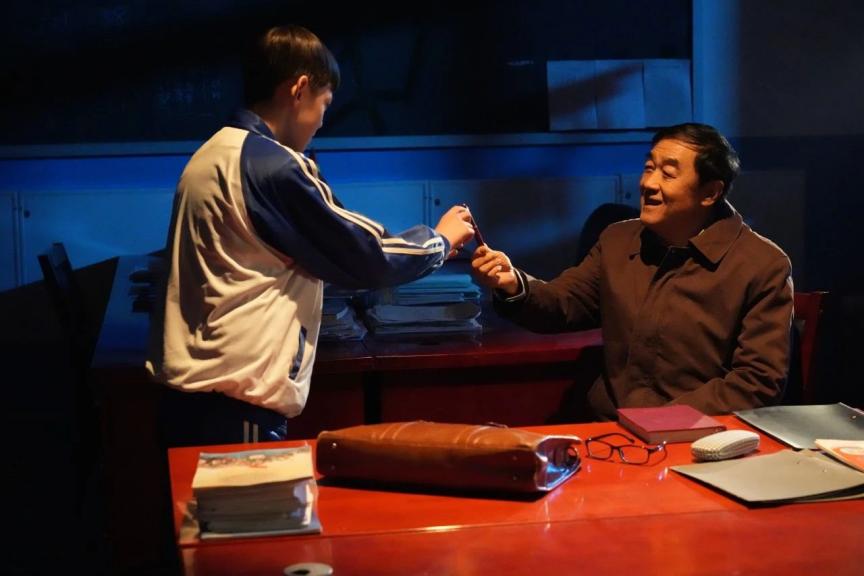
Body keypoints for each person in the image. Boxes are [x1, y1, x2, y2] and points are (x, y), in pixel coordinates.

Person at [146, 25, 475, 445]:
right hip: (235, 402)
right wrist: (440, 241)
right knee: (248, 494)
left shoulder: (214, 151)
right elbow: (364, 252)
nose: (322, 121)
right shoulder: (272, 165)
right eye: (324, 103)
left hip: (193, 398)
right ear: (299, 89)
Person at [472, 123, 793, 420]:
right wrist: (513, 283)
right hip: (611, 428)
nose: (648, 183)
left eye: (668, 174)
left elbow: (756, 381)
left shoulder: (762, 265)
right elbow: (565, 303)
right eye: (649, 168)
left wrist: (659, 422)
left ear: (710, 193)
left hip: (700, 437)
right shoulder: (618, 240)